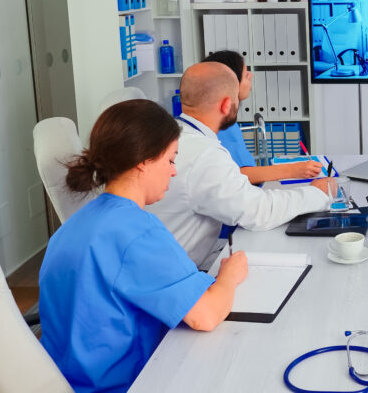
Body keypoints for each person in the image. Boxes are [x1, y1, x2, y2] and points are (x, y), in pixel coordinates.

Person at [39, 99, 248, 393]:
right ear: (143, 160)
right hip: (122, 384)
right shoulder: (136, 231)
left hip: (66, 380)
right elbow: (206, 315)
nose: (173, 172)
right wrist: (230, 275)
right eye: (171, 160)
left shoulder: (74, 225)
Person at [146, 62, 332, 269]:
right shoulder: (204, 154)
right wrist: (316, 194)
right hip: (175, 272)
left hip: (169, 256)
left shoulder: (173, 135)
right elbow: (257, 211)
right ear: (226, 104)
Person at [201, 50, 321, 183]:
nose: (251, 75)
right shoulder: (222, 125)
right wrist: (294, 170)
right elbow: (242, 174)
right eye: (246, 74)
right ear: (231, 82)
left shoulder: (211, 118)